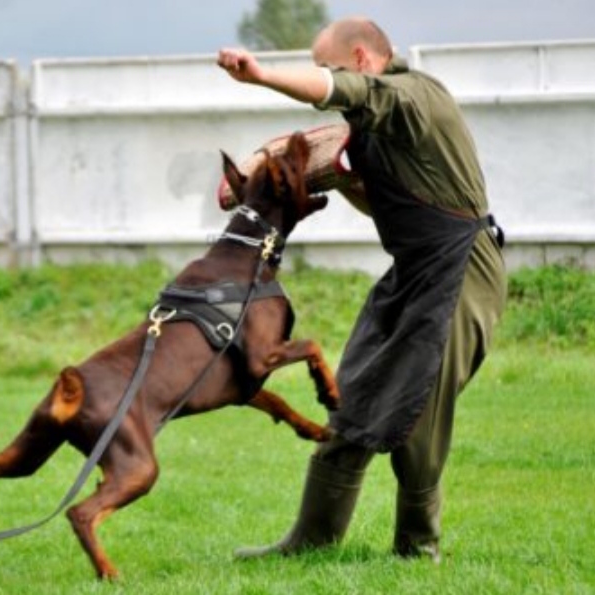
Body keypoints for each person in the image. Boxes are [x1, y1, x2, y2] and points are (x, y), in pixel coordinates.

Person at [217, 16, 507, 563]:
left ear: (360, 59)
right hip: (412, 271)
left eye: (328, 68)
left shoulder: (413, 97)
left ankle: (418, 548)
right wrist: (346, 180)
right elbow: (391, 209)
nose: (328, 83)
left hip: (463, 270)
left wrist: (261, 76)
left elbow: (344, 90)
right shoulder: (374, 126)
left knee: (419, 407)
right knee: (352, 392)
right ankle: (311, 541)